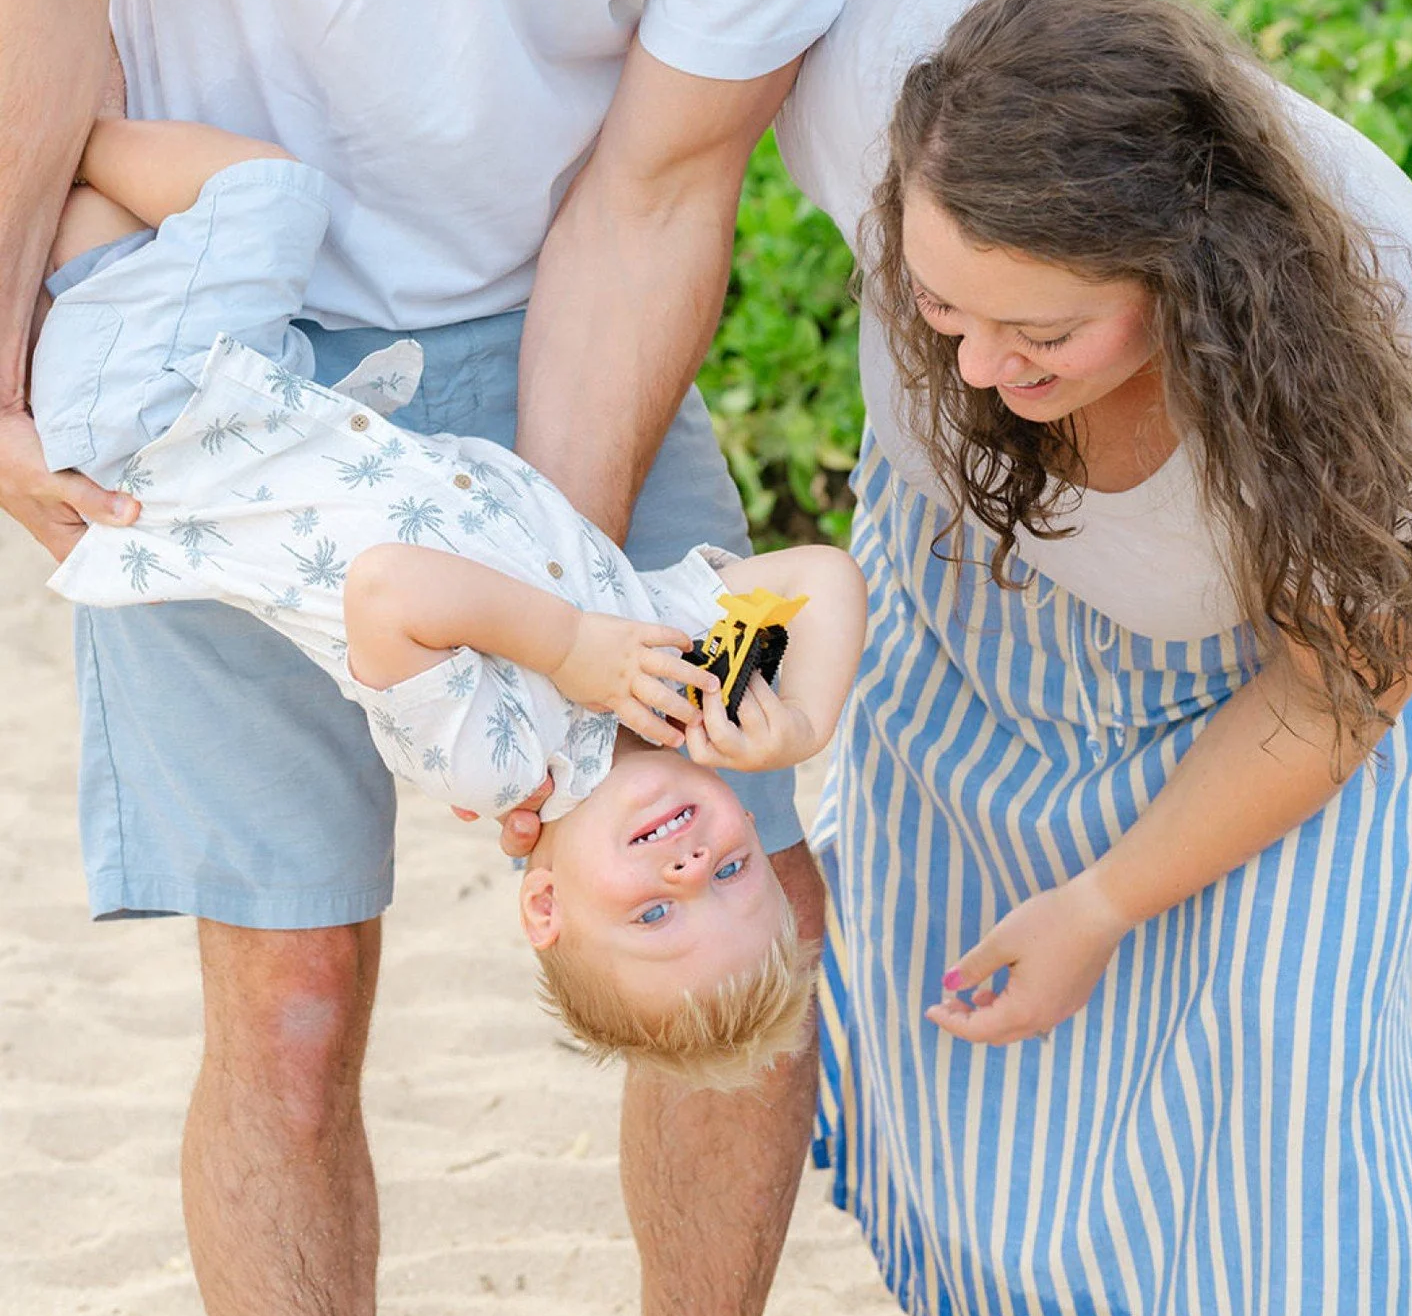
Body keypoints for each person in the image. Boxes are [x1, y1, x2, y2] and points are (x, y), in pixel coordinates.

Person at [0, 0, 1009, 1316]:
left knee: (751, 918)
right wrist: (2, 386)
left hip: (551, 320)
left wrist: (568, 626)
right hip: (203, 353)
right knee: (287, 983)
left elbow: (653, 189)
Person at [773, 0, 1412, 1316]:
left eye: (1043, 332)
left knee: (1283, 1080)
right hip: (964, 615)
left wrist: (1101, 898)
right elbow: (654, 184)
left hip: (1277, 680)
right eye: (940, 309)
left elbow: (1340, 686)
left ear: (1193, 277)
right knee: (985, 1136)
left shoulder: (1401, 331)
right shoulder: (875, 73)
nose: (972, 373)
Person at [31, 115, 869, 1078]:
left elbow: (387, 591)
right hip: (249, 394)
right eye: (733, 873)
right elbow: (823, 576)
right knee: (118, 208)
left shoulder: (500, 764)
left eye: (653, 912)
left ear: (545, 906)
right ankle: (55, 122)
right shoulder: (677, 680)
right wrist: (801, 721)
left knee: (262, 193)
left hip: (159, 429)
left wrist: (567, 647)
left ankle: (42, 124)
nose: (689, 871)